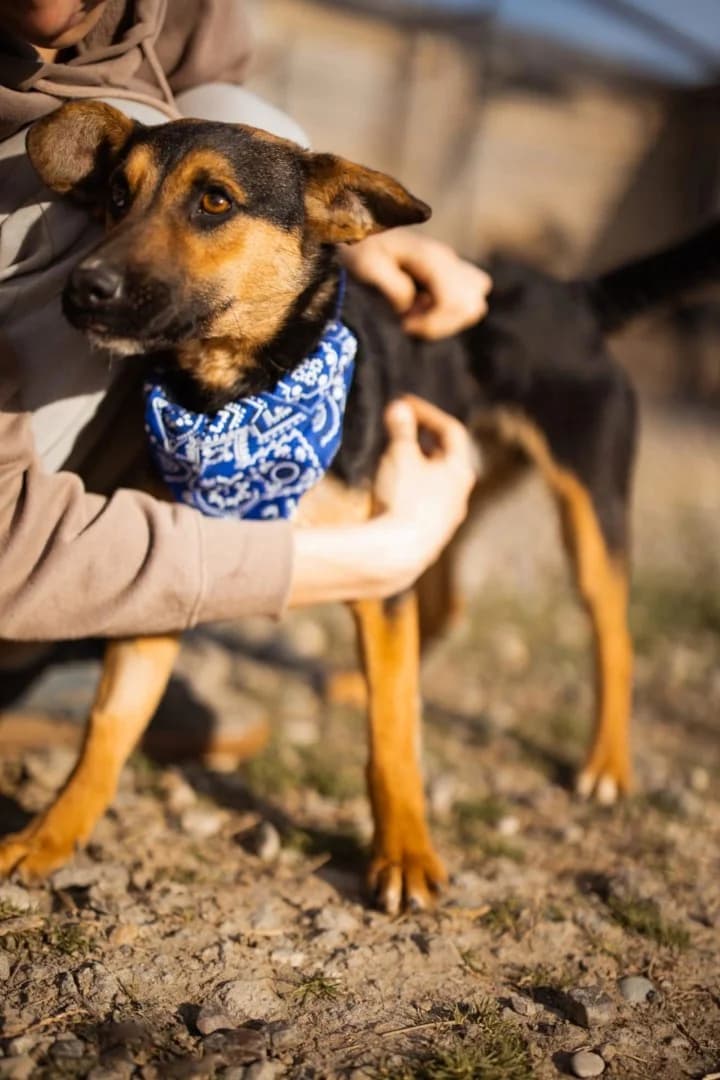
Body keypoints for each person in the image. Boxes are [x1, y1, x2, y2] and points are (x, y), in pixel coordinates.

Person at [0, 0, 490, 661]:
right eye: (123, 197)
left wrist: (339, 245)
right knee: (57, 203)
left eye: (214, 205)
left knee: (244, 118)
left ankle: (100, 612)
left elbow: (245, 143)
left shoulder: (181, 13)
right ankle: (58, 628)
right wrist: (363, 558)